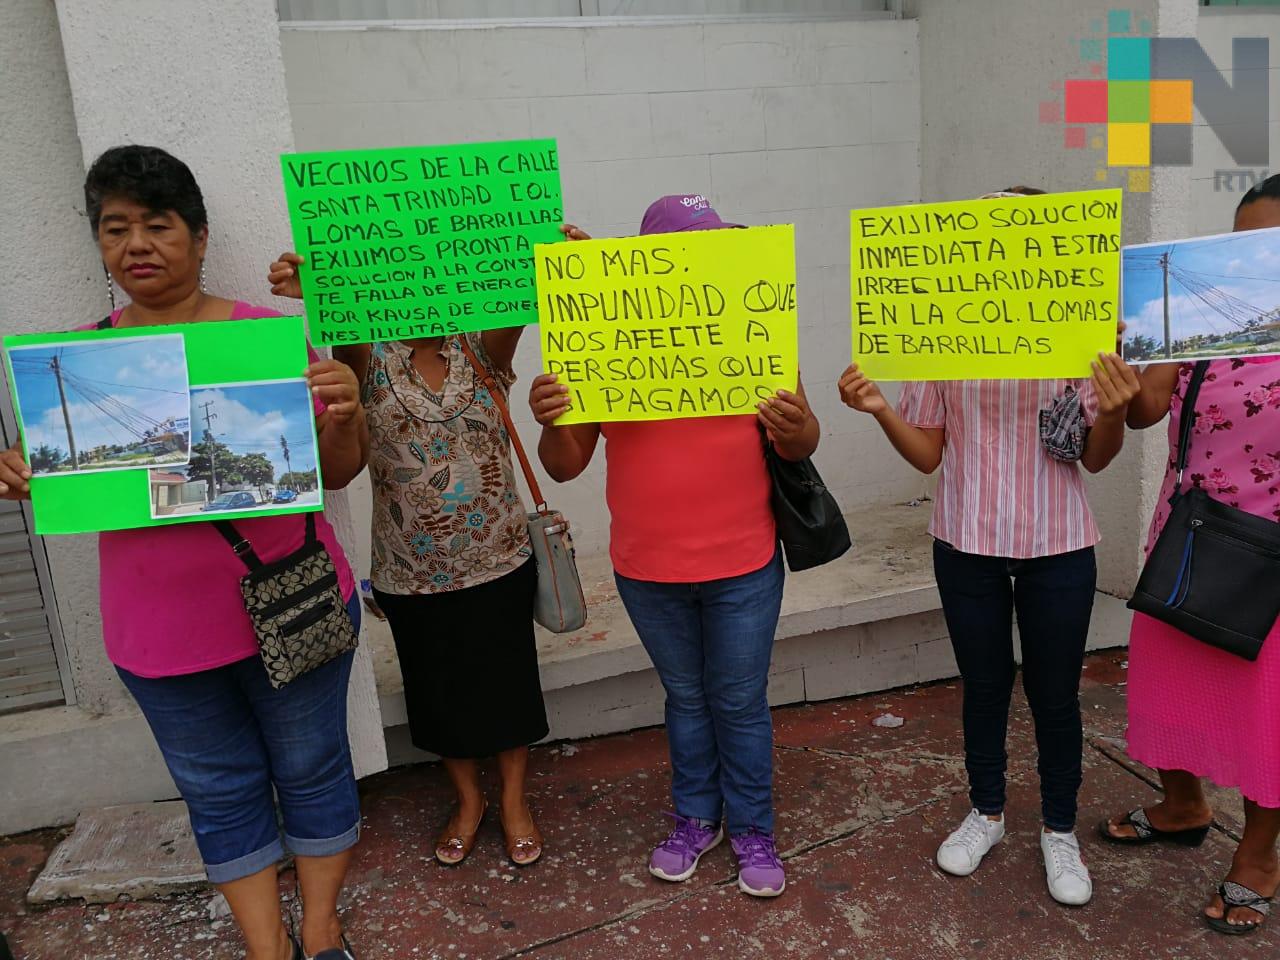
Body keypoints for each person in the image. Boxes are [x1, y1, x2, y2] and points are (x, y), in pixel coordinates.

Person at [0, 146, 367, 960]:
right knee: (218, 790)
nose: (138, 244)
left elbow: (334, 473)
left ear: (200, 238)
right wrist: (26, 469)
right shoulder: (76, 366)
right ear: (99, 245)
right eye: (116, 228)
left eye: (158, 225)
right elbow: (72, 484)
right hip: (159, 634)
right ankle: (268, 948)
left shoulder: (270, 341)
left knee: (312, 767)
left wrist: (344, 415)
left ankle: (323, 926)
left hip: (292, 600)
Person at [838, 186, 1140, 907]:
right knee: (983, 687)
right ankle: (988, 813)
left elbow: (1095, 458)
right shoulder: (940, 333)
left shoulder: (1079, 337)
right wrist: (881, 408)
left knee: (1055, 693)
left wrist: (1117, 410)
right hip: (966, 538)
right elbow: (927, 455)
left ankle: (1058, 828)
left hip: (1058, 541)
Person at [265, 231, 588, 868]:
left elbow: (516, 300)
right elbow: (343, 414)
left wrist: (552, 251)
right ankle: (468, 801)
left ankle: (516, 801)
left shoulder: (478, 344)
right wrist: (328, 295)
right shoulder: (366, 354)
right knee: (438, 692)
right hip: (410, 569)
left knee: (509, 685)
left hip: (499, 556)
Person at [528, 195, 820, 898]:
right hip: (647, 566)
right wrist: (550, 418)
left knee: (739, 701)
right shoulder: (605, 340)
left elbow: (804, 443)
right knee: (686, 699)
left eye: (711, 250)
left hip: (744, 561)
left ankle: (753, 827)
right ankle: (696, 817)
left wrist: (797, 421)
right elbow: (565, 464)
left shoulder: (755, 330)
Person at [1100, 175, 1280, 935]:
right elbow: (1146, 413)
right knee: (1169, 690)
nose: (1246, 256)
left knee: (1267, 716)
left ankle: (1261, 857)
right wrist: (1120, 381)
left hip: (1271, 561)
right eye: (1237, 240)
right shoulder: (1197, 315)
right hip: (1188, 540)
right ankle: (1183, 806)